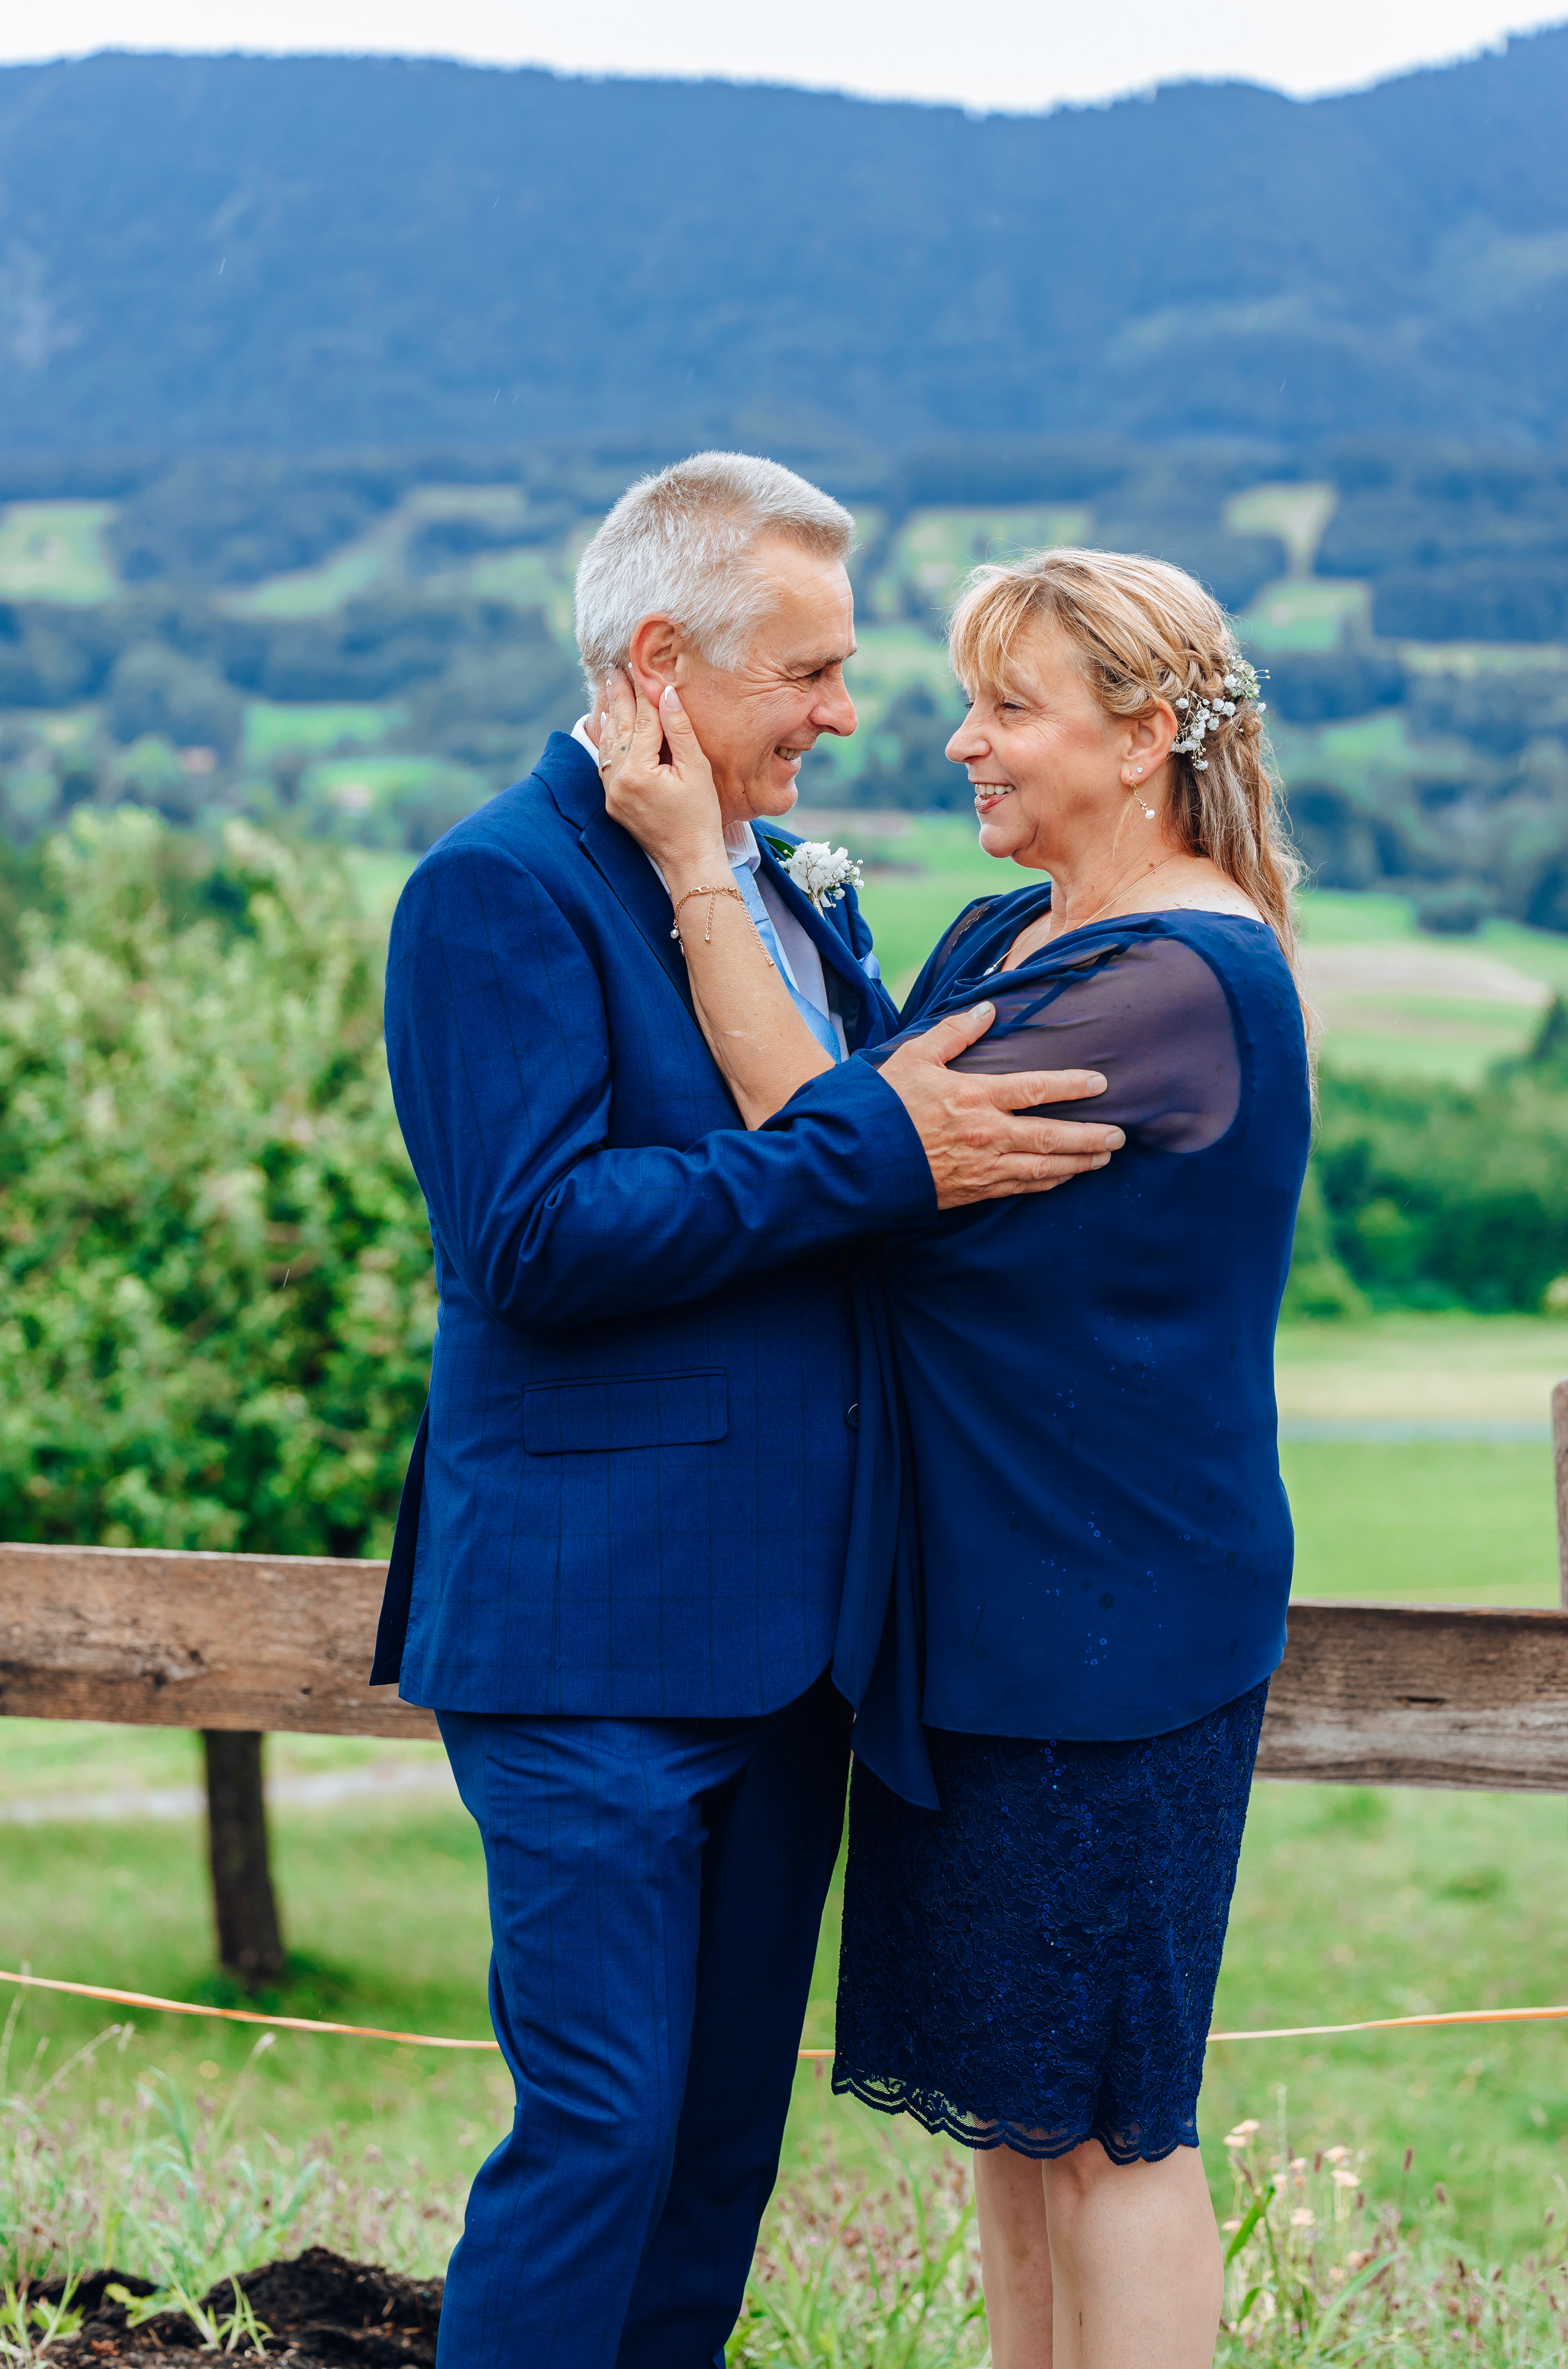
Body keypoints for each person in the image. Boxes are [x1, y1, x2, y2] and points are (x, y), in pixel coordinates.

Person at [371, 456, 1123, 2369]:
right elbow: (531, 1238)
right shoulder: (495, 888)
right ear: (659, 662)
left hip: (796, 1652)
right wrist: (878, 1154)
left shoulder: (779, 881)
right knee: (603, 2134)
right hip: (591, 1639)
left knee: (718, 2154)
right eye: (807, 671)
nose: (846, 713)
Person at [599, 545, 1313, 2369]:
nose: (958, 744)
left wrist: (699, 870)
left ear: (1145, 736)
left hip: (1106, 1627)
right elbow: (869, 1141)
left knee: (1108, 2121)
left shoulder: (1173, 985)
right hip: (987, 1608)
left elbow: (824, 1145)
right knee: (1014, 2112)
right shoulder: (1016, 937)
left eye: (1008, 709)